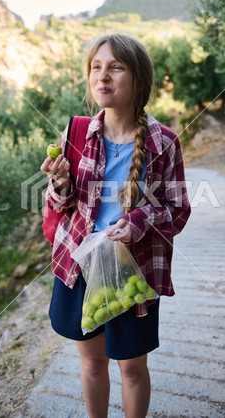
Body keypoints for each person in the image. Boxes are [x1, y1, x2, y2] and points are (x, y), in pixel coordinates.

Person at [40, 33, 191, 418]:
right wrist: (58, 184)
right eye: (96, 67)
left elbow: (178, 211)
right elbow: (60, 204)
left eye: (116, 67)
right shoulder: (75, 134)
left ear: (139, 80)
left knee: (133, 369)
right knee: (92, 363)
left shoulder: (164, 143)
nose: (102, 76)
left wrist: (139, 222)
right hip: (80, 266)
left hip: (133, 271)